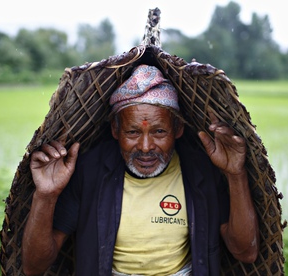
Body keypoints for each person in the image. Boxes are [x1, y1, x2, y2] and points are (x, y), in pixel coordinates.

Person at [22, 64, 259, 275]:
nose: (146, 147)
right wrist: (46, 195)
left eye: (159, 132)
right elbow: (34, 267)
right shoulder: (89, 171)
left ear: (177, 129)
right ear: (115, 130)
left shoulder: (199, 170)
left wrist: (235, 174)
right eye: (133, 132)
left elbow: (244, 252)